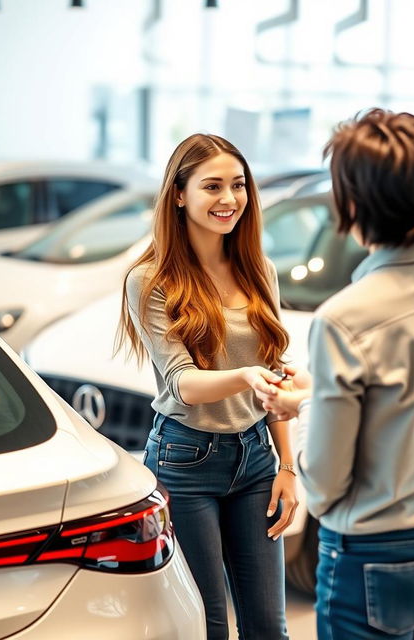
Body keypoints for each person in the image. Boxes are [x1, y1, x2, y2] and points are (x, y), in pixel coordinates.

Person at [255, 109, 414, 640]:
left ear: (351, 204)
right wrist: (318, 397)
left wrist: (306, 406)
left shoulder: (346, 318)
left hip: (376, 563)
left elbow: (325, 486)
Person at [117, 133, 297, 640]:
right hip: (185, 460)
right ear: (179, 194)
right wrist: (244, 376)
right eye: (212, 186)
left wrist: (288, 466)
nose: (229, 199)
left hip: (257, 459)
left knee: (268, 627)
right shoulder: (151, 280)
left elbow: (275, 376)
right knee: (208, 627)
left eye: (238, 185)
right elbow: (181, 385)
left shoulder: (258, 268)